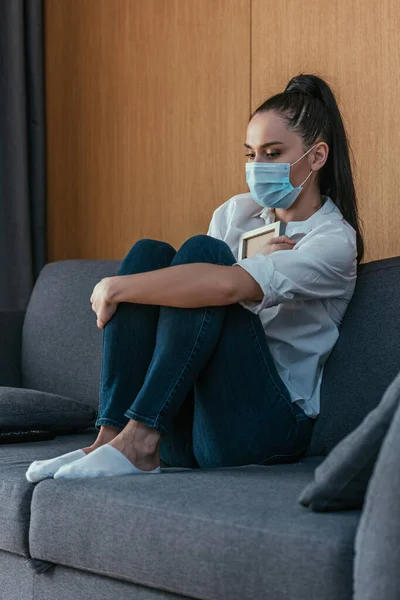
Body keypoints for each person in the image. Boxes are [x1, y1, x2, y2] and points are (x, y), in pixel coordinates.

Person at [26, 73, 364, 483]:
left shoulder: (332, 241)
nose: (258, 168)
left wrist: (115, 286)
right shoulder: (237, 214)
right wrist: (235, 266)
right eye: (251, 154)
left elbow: (224, 286)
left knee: (205, 258)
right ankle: (112, 438)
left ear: (316, 156)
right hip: (195, 425)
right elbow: (194, 305)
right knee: (150, 252)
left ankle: (141, 437)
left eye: (273, 154)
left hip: (263, 429)